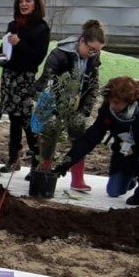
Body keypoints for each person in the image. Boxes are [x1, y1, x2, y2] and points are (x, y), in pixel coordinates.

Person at [55, 76, 139, 203]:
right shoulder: (107, 110)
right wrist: (68, 160)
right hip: (125, 150)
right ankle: (131, 177)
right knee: (114, 191)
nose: (112, 105)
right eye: (111, 101)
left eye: (116, 103)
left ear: (129, 101)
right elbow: (92, 137)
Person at [35, 19, 106, 191]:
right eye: (91, 49)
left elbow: (93, 86)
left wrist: (85, 110)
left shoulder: (93, 59)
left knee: (79, 133)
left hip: (77, 105)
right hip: (54, 103)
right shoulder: (59, 54)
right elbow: (48, 82)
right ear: (82, 41)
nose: (93, 53)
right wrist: (54, 107)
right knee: (50, 131)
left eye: (97, 51)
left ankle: (77, 178)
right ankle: (44, 171)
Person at [0, 0, 51, 173]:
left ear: (35, 3)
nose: (23, 4)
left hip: (25, 79)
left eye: (28, 0)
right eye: (20, 1)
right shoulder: (13, 25)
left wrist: (19, 44)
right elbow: (1, 51)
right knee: (14, 119)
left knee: (27, 120)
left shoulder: (41, 28)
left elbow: (36, 58)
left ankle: (37, 162)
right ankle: (14, 159)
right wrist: (1, 58)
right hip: (9, 77)